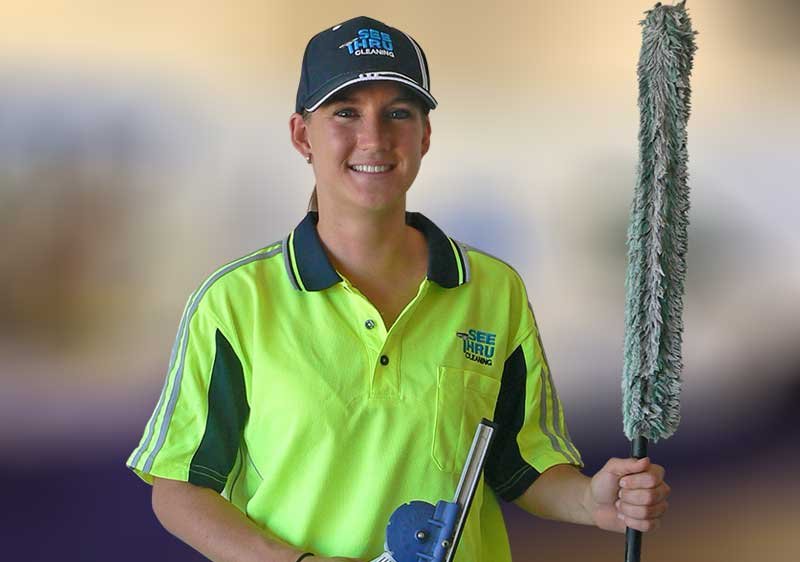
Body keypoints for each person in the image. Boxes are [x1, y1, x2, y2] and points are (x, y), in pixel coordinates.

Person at [126, 16, 670, 562]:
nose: (374, 138)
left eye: (398, 114)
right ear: (301, 134)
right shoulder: (235, 302)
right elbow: (180, 488)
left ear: (424, 135)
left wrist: (589, 500)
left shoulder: (493, 291)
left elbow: (519, 463)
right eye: (346, 112)